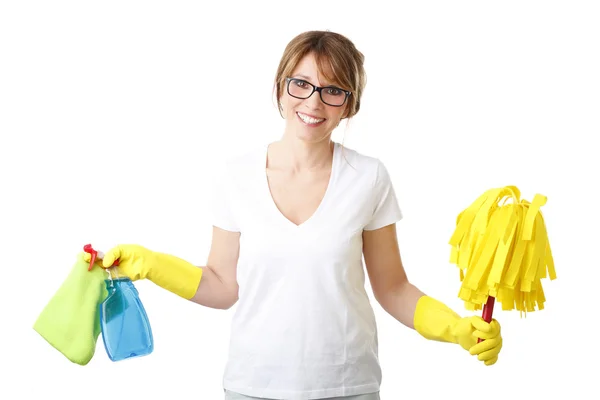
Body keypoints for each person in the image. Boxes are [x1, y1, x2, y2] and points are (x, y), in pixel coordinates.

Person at [86, 31, 502, 400]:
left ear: (349, 106)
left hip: (347, 386)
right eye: (301, 84)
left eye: (332, 90)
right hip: (253, 386)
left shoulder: (369, 177)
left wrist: (455, 328)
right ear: (281, 89)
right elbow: (221, 285)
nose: (313, 101)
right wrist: (152, 264)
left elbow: (392, 288)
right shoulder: (236, 177)